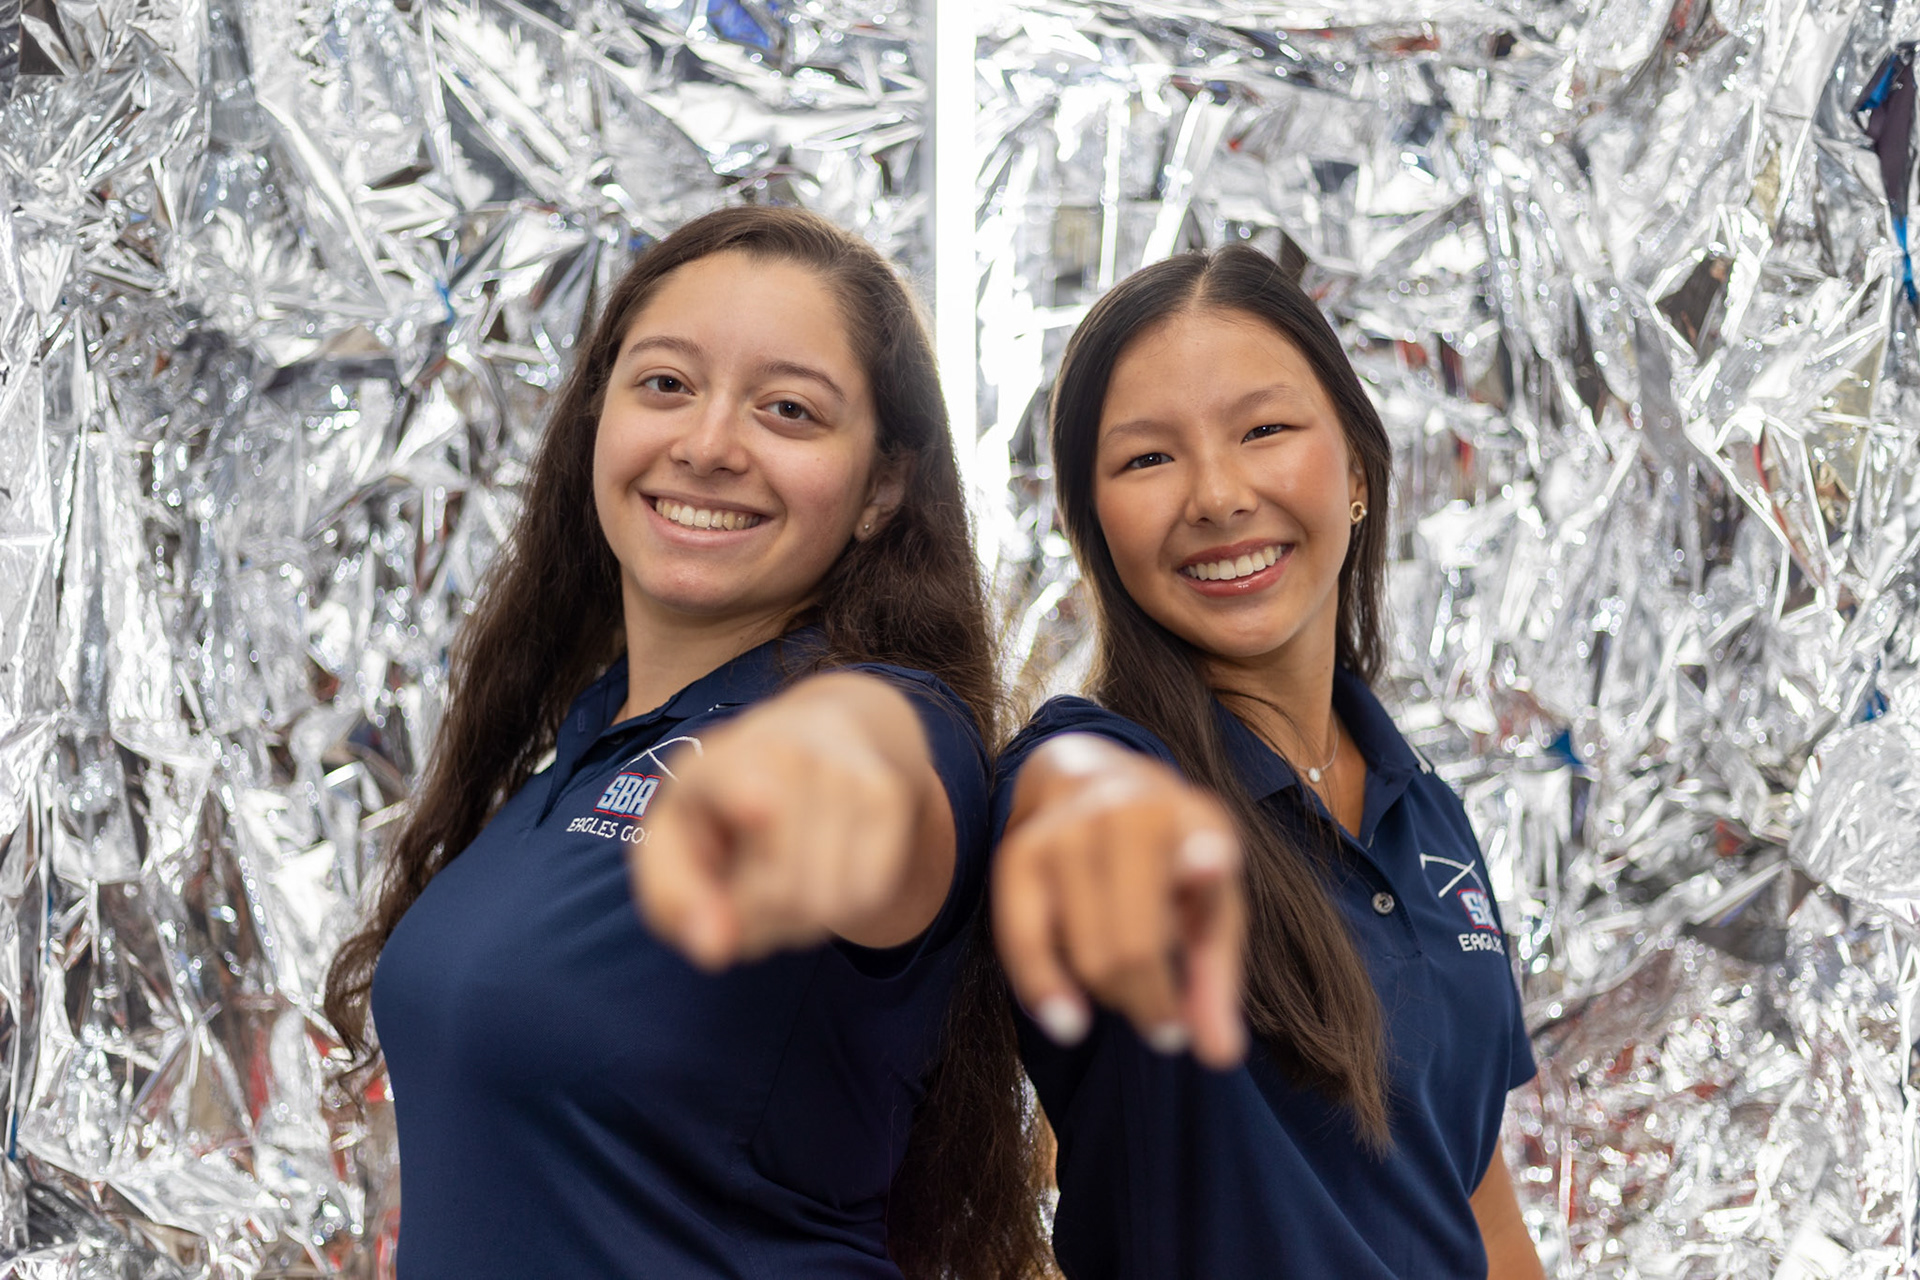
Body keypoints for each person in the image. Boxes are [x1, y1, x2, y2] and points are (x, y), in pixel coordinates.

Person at [323, 206, 1046, 1279]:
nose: (709, 445)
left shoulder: (887, 719)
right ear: (597, 423)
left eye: (789, 409)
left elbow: (876, 772)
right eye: (666, 384)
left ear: (881, 486)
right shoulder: (582, 745)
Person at [990, 245, 1544, 1278]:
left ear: (1360, 473)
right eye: (1147, 458)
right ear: (1091, 528)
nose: (1216, 492)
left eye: (1264, 430)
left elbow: (1479, 1208)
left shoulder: (1427, 816)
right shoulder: (1091, 773)